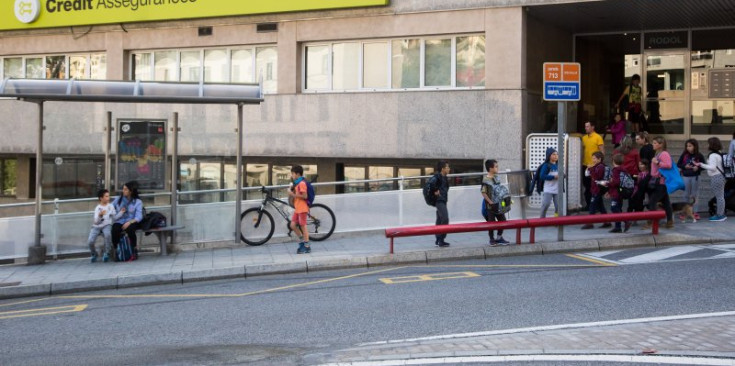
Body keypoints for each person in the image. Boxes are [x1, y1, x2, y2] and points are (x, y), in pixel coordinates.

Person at [696, 137, 727, 222]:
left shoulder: (713, 155)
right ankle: (721, 214)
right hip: (720, 176)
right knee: (720, 196)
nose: (707, 145)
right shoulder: (719, 153)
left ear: (711, 145)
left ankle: (720, 215)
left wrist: (701, 164)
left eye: (708, 143)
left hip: (716, 177)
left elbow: (712, 168)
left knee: (719, 197)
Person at [646, 136, 674, 229]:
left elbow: (668, 165)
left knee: (652, 202)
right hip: (659, 182)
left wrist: (657, 162)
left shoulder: (664, 154)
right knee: (666, 203)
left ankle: (652, 222)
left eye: (655, 143)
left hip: (661, 182)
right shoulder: (658, 153)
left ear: (660, 145)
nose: (653, 145)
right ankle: (669, 222)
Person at [112, 180, 144, 260]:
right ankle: (117, 249)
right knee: (115, 229)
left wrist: (129, 222)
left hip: (131, 221)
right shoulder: (118, 199)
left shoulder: (137, 202)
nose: (123, 191)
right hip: (120, 220)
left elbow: (139, 216)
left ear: (131, 191)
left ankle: (134, 249)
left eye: (126, 189)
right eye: (123, 189)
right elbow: (110, 207)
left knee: (130, 229)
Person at [87, 189, 120, 263]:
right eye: (106, 196)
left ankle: (106, 252)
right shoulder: (97, 208)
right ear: (101, 198)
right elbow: (96, 222)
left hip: (106, 225)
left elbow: (115, 217)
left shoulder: (110, 206)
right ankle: (94, 253)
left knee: (108, 235)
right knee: (90, 241)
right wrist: (100, 215)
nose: (108, 198)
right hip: (96, 226)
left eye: (108, 196)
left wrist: (121, 213)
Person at [482, 159, 510, 246]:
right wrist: (490, 202)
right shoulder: (486, 180)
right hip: (491, 206)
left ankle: (499, 237)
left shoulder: (496, 177)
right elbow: (483, 192)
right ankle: (491, 239)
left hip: (499, 204)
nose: (498, 168)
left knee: (503, 220)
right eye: (496, 166)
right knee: (491, 223)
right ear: (490, 168)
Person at [676, 139, 704, 220]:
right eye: (687, 146)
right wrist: (685, 166)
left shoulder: (699, 155)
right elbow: (679, 164)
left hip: (696, 177)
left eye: (690, 146)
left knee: (695, 195)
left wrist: (697, 168)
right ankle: (685, 212)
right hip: (686, 176)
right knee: (685, 194)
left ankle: (695, 212)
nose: (688, 148)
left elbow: (703, 166)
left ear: (695, 146)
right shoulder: (684, 155)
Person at [581, 151, 610, 229]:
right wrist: (589, 168)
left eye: (594, 158)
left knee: (592, 206)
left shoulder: (600, 167)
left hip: (597, 189)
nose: (593, 160)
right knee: (601, 206)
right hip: (595, 189)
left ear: (599, 159)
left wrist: (591, 169)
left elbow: (597, 176)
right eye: (592, 158)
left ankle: (590, 223)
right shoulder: (596, 166)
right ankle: (607, 221)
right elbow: (587, 174)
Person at [288, 165, 312, 253]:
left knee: (303, 226)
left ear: (298, 174)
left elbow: (305, 196)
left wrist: (293, 194)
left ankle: (307, 246)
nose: (292, 175)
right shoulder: (297, 183)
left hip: (302, 208)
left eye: (293, 174)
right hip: (298, 208)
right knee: (292, 225)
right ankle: (302, 241)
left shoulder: (302, 183)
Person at [581, 121, 604, 211]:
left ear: (592, 127)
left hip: (595, 166)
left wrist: (600, 163)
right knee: (587, 186)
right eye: (585, 126)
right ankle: (589, 205)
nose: (586, 128)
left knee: (595, 186)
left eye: (587, 126)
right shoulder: (584, 138)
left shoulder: (598, 137)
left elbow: (602, 151)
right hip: (585, 165)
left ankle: (597, 206)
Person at [604, 153, 627, 233]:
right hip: (620, 192)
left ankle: (625, 222)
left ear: (613, 161)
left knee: (614, 208)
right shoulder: (623, 169)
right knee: (618, 208)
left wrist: (607, 184)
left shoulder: (616, 170)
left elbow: (615, 182)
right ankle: (618, 226)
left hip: (616, 193)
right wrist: (609, 191)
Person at [430, 160, 451, 247]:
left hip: (443, 200)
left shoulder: (444, 177)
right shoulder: (437, 177)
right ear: (443, 169)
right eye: (447, 167)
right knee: (445, 219)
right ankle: (441, 239)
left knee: (439, 220)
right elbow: (431, 185)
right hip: (439, 201)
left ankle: (439, 239)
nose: (449, 169)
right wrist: (435, 191)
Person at [538, 148, 559, 218]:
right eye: (553, 154)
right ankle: (542, 219)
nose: (556, 156)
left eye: (557, 154)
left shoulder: (559, 165)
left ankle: (557, 219)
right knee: (546, 204)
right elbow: (542, 176)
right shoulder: (546, 165)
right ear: (549, 155)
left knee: (558, 206)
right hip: (548, 189)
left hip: (557, 189)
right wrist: (553, 177)